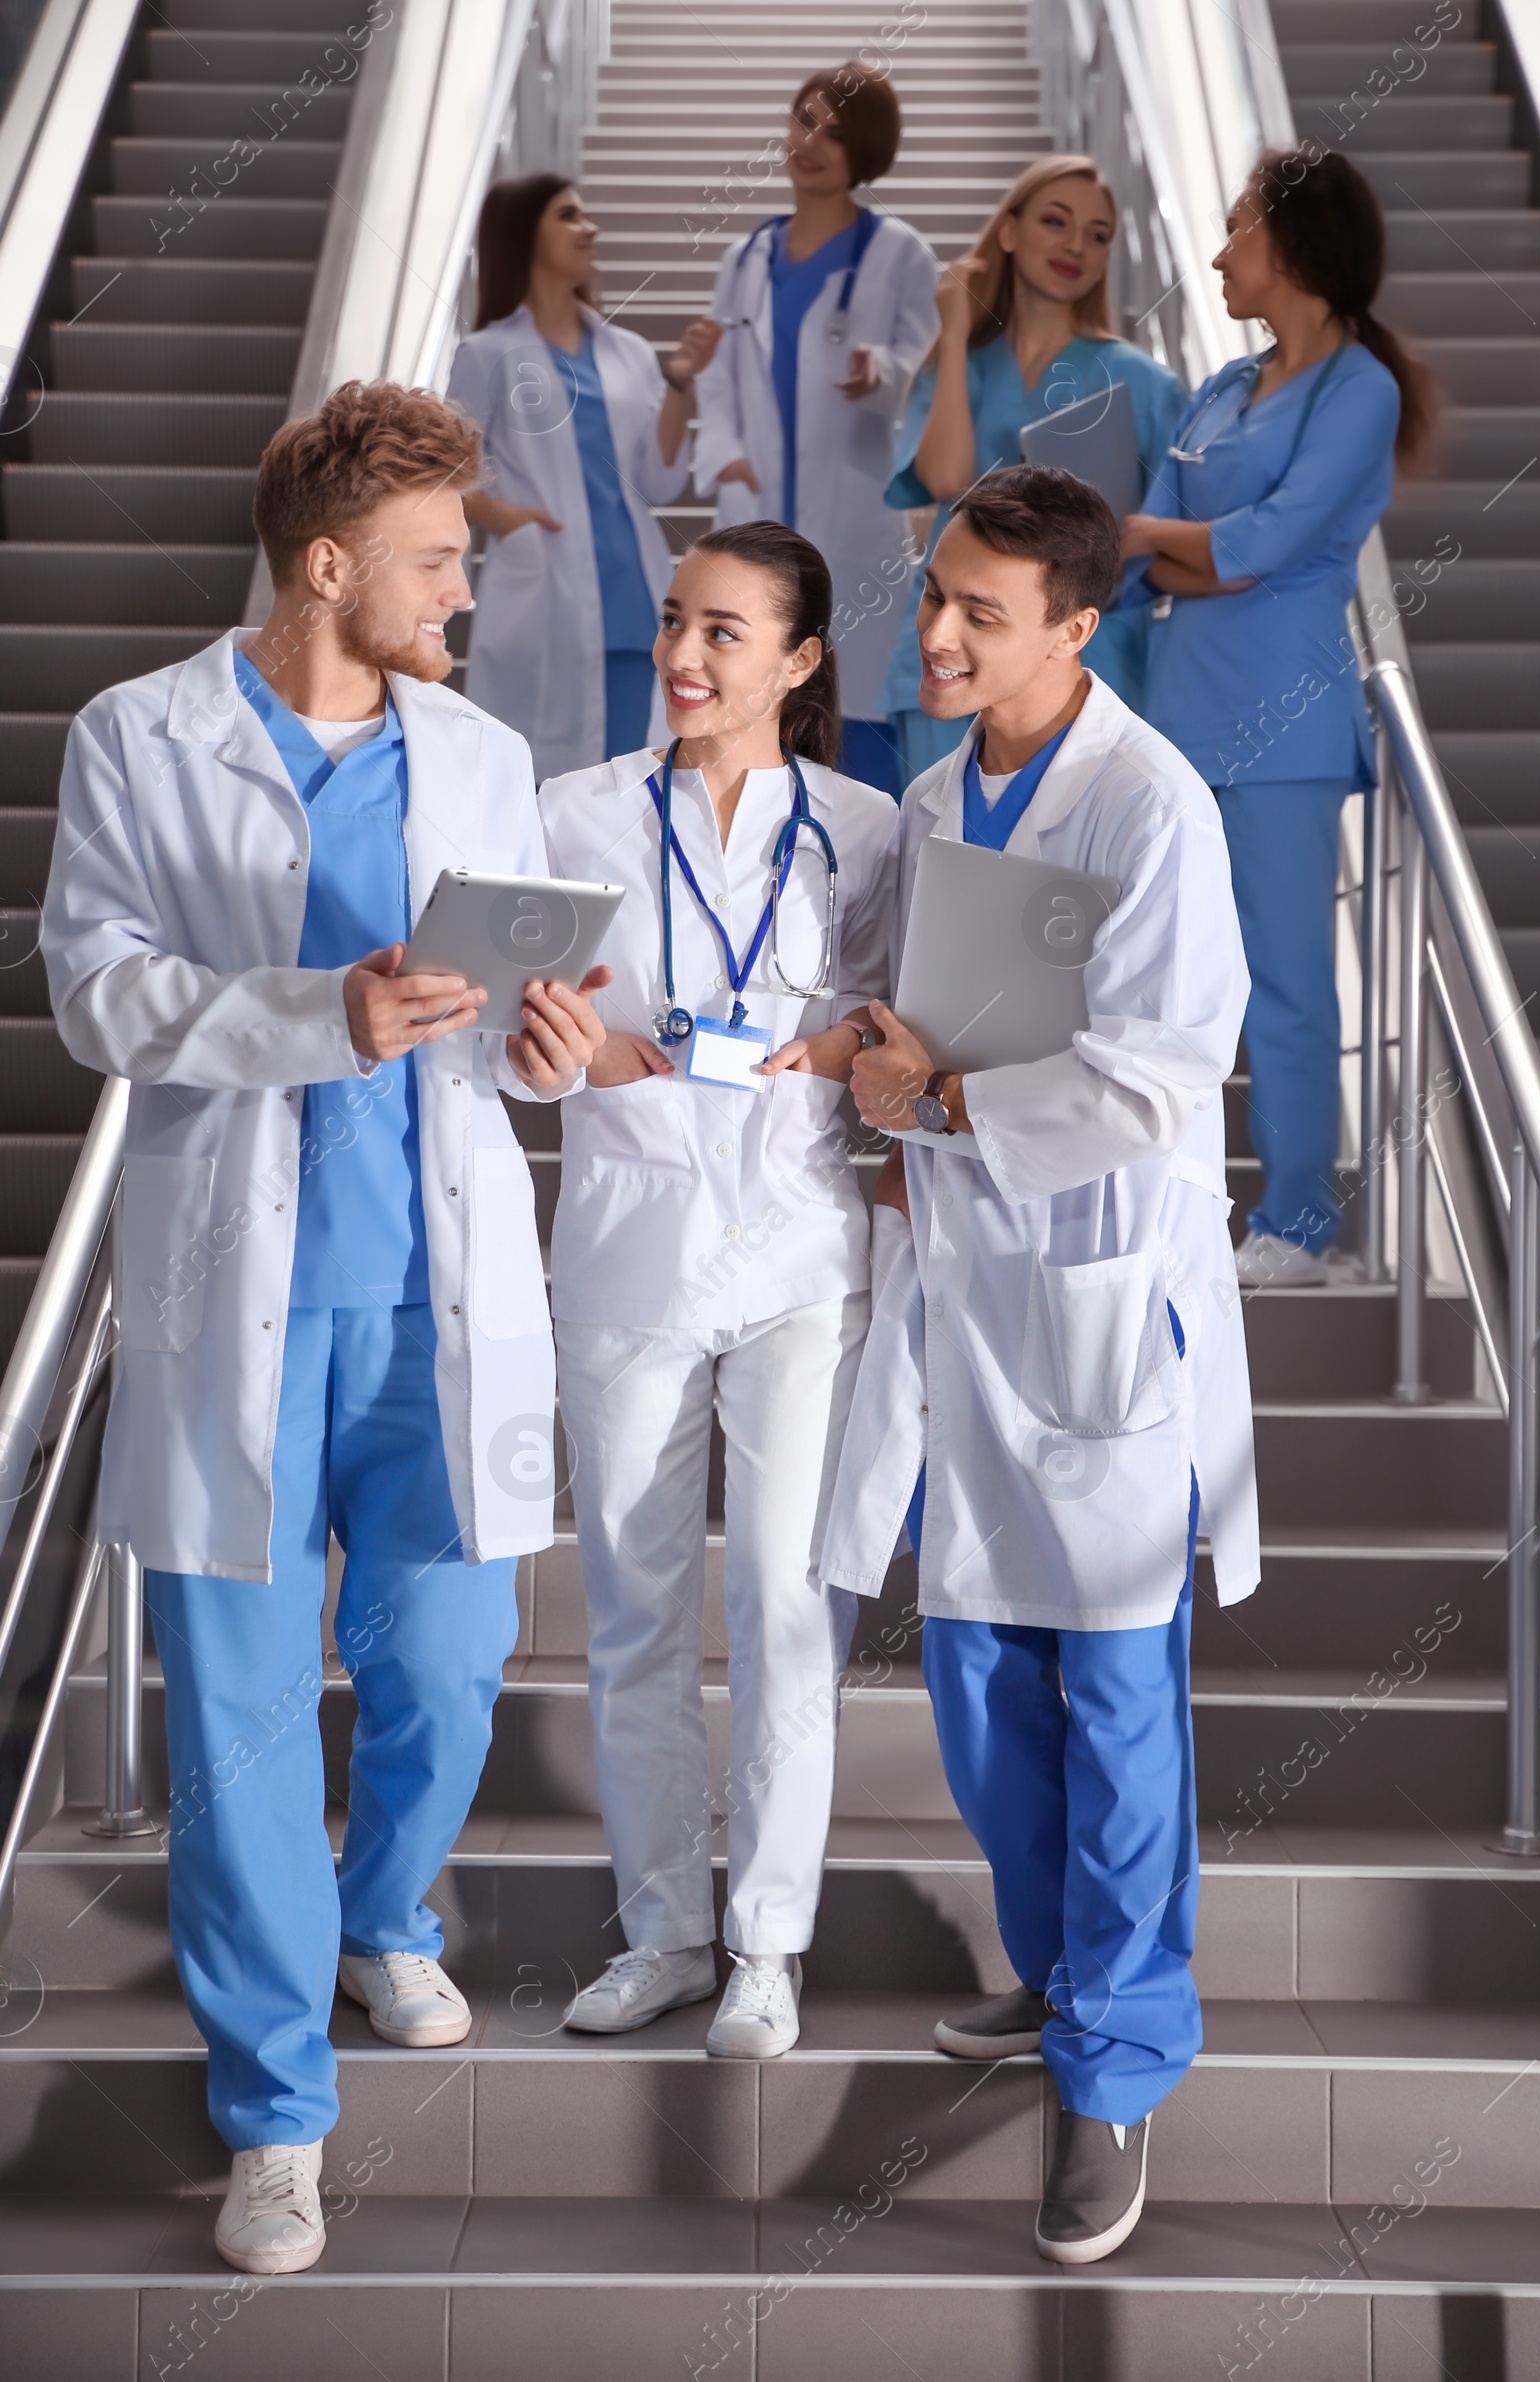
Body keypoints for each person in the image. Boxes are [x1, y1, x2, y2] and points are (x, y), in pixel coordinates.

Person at [41, 384, 607, 2278]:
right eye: (440, 559)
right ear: (330, 563)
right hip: (239, 1301)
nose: (465, 590)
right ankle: (274, 2110)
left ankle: (382, 1914)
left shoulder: (482, 750)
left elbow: (517, 1012)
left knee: (448, 1665)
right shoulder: (140, 735)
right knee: (244, 1723)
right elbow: (100, 994)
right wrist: (316, 1018)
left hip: (439, 1294)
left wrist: (549, 1052)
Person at [823, 465, 1258, 2265]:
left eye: (978, 613)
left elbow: (1170, 1066)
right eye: (933, 595)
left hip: (1091, 1308)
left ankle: (1115, 2072)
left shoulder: (1152, 807)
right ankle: (1068, 1967)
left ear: (1079, 626)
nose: (932, 632)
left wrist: (952, 1098)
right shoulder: (931, 796)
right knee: (983, 1696)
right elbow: (903, 1012)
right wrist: (859, 1069)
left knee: (1115, 1712)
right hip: (964, 1292)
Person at [537, 522, 899, 2058]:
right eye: (677, 622)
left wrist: (866, 1066)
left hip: (804, 1245)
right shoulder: (569, 815)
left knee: (782, 1600)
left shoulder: (869, 829)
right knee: (632, 1609)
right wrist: (545, 1054)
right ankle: (666, 1929)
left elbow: (895, 1034)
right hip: (628, 1243)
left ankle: (768, 1943)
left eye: (726, 632)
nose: (685, 656)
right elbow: (504, 1024)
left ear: (801, 662)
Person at [1123, 148, 1434, 1287]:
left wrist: (1180, 548)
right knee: (1156, 979)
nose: (1216, 253)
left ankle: (1299, 1220)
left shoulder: (1359, 389)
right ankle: (1166, 1197)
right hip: (1177, 716)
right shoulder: (1216, 389)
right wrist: (1188, 552)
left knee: (1287, 981)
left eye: (1238, 229)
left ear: (1295, 245)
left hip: (1285, 724)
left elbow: (1266, 543)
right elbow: (1152, 558)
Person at [880, 155, 1185, 784]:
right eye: (1056, 221)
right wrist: (957, 331)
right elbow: (943, 479)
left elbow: (1160, 540)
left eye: (1098, 235)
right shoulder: (957, 366)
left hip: (1085, 652)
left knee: (1065, 865)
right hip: (952, 645)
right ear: (1010, 232)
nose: (1077, 245)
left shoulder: (1146, 385)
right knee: (939, 850)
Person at [691, 65, 938, 797]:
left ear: (866, 152)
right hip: (756, 505)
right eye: (804, 120)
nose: (812, 142)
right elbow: (719, 373)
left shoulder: (899, 255)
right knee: (747, 711)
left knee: (852, 723)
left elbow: (927, 372)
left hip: (857, 519)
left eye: (836, 132)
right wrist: (725, 456)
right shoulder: (747, 258)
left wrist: (884, 371)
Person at [447, 174, 719, 776]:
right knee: (541, 776)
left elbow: (660, 478)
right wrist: (507, 518)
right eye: (569, 216)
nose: (589, 228)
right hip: (545, 590)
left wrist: (678, 384)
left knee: (634, 775)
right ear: (524, 236)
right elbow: (445, 476)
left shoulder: (626, 352)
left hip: (634, 595)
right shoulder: (487, 355)